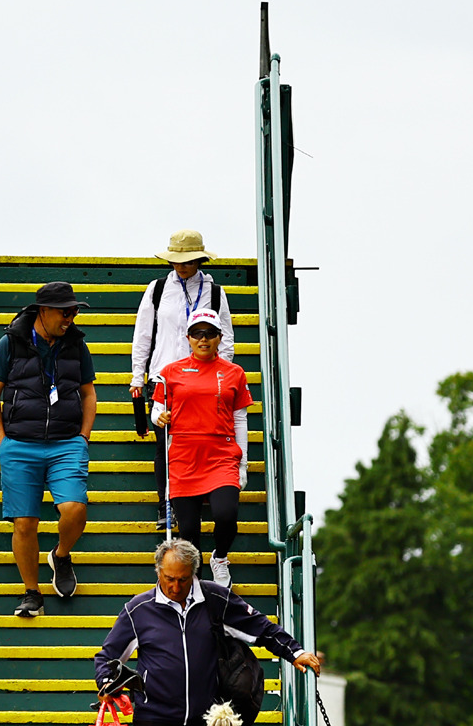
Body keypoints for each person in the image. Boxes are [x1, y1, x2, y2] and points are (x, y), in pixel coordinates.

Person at [94, 539, 320, 726]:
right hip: (153, 717)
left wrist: (294, 652)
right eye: (169, 579)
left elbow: (260, 627)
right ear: (158, 571)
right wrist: (106, 682)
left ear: (193, 574)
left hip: (207, 717)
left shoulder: (215, 599)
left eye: (182, 580)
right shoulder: (138, 609)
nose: (175, 587)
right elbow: (107, 656)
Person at [0, 281, 98, 617]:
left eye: (74, 311)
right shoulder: (11, 342)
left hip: (66, 443)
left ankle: (60, 555)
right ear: (43, 311)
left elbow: (88, 393)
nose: (71, 318)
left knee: (75, 509)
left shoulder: (76, 344)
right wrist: (2, 441)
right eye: (66, 312)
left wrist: (83, 437)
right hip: (20, 444)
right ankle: (32, 593)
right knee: (24, 522)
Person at [130, 230, 234, 529]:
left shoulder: (214, 292)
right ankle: (166, 504)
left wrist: (221, 378)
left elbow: (225, 339)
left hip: (204, 381)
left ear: (200, 259)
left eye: (188, 261)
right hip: (166, 375)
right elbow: (143, 334)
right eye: (176, 260)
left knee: (199, 441)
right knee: (165, 443)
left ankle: (195, 498)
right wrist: (139, 376)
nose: (181, 266)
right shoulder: (158, 288)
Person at [151, 308, 249, 587]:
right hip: (183, 458)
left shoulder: (234, 373)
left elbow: (240, 419)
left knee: (226, 515)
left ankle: (219, 557)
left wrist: (243, 464)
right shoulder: (171, 371)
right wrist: (158, 417)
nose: (203, 339)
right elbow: (158, 409)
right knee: (190, 531)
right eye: (197, 333)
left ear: (220, 337)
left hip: (221, 457)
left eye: (209, 334)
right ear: (188, 338)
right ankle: (197, 585)